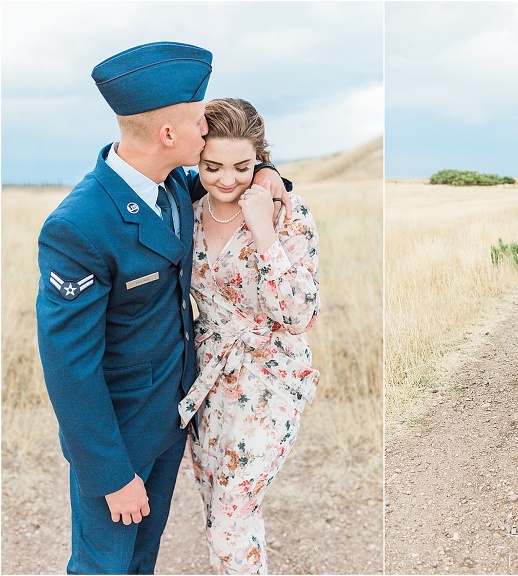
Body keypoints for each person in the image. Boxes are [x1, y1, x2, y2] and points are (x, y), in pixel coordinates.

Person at [35, 42, 289, 574]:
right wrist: (110, 474)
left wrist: (267, 173)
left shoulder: (171, 184)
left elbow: (228, 181)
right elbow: (68, 367)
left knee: (139, 564)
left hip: (169, 420)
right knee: (102, 566)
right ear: (168, 134)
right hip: (118, 436)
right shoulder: (79, 225)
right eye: (200, 121)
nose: (207, 131)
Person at [177, 98, 320, 574]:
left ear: (261, 157)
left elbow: (299, 313)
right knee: (217, 511)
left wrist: (263, 231)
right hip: (210, 380)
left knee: (232, 520)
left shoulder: (288, 213)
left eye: (242, 166)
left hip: (272, 377)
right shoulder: (186, 212)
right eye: (211, 166)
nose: (226, 179)